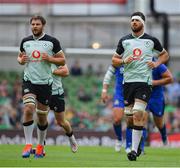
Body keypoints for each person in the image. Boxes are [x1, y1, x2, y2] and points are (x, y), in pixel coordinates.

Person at [112, 12, 169, 161]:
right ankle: (138, 143)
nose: (134, 22)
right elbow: (114, 60)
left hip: (144, 82)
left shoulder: (151, 41)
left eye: (137, 20)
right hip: (128, 83)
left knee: (138, 113)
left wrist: (156, 64)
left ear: (143, 22)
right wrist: (124, 61)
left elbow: (165, 55)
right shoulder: (124, 41)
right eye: (132, 20)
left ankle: (133, 151)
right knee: (130, 119)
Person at [17, 15, 66, 158]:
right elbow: (20, 57)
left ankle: (40, 145)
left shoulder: (52, 42)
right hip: (29, 81)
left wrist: (50, 59)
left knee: (42, 117)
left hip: (45, 83)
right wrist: (21, 60)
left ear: (43, 25)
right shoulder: (25, 41)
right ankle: (27, 145)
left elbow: (62, 60)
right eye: (32, 24)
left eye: (37, 24)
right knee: (28, 108)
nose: (35, 26)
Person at [126, 62, 173, 153]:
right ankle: (141, 148)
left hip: (157, 98)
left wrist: (154, 82)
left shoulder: (158, 65)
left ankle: (164, 137)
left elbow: (170, 79)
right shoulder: (139, 62)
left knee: (159, 123)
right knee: (142, 119)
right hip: (143, 96)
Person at [49, 64, 78, 153]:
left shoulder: (57, 57)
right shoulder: (39, 57)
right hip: (43, 92)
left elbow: (66, 72)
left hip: (57, 93)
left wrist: (53, 71)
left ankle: (71, 139)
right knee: (41, 118)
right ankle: (40, 146)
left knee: (61, 122)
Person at [101, 65, 124, 152]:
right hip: (120, 94)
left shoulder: (136, 58)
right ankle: (119, 138)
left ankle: (130, 146)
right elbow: (108, 75)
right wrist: (104, 91)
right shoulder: (117, 60)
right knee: (117, 119)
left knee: (132, 120)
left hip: (133, 92)